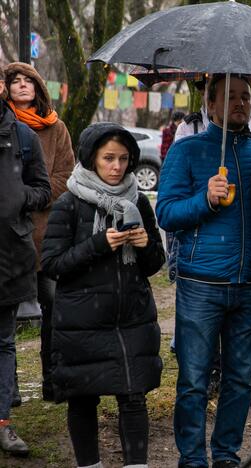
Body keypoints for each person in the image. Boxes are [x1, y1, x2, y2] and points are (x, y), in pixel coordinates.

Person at [157, 74, 251, 468]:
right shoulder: (185, 151)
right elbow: (167, 213)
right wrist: (204, 199)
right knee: (193, 381)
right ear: (210, 103)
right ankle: (192, 458)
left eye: (246, 97)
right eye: (231, 97)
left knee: (240, 380)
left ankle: (226, 455)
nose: (240, 103)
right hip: (200, 283)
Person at [41, 123, 165, 468]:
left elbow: (155, 263)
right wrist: (99, 244)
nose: (117, 166)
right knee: (83, 398)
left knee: (133, 395)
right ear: (92, 158)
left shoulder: (138, 201)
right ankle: (89, 464)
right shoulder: (69, 203)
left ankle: (136, 464)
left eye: (124, 159)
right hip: (82, 321)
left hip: (131, 318)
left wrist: (144, 246)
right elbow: (52, 264)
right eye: (109, 158)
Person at [4, 62, 75, 404]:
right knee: (7, 315)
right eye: (14, 81)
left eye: (27, 80)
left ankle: (53, 380)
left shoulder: (56, 127)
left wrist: (30, 197)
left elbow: (65, 174)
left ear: (38, 86)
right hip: (8, 236)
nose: (21, 85)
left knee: (55, 308)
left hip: (46, 235)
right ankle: (10, 389)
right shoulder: (5, 126)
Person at [0, 69, 50, 457]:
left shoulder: (22, 136)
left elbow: (44, 189)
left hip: (9, 254)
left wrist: (19, 197)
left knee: (3, 342)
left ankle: (2, 421)